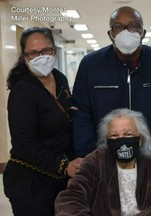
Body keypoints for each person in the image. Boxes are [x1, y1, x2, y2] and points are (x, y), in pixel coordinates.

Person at [72, 6, 151, 158]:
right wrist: (89, 159)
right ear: (111, 34)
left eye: (133, 26)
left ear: (143, 33)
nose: (126, 32)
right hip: (105, 160)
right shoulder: (90, 65)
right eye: (118, 27)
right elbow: (82, 116)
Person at [55, 108, 151, 216]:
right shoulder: (94, 163)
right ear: (106, 141)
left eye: (128, 134)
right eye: (114, 136)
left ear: (140, 139)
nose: (121, 141)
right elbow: (69, 200)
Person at [3, 27, 83, 216]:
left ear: (54, 51)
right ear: (24, 56)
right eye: (33, 53)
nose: (41, 57)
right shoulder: (22, 91)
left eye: (46, 50)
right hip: (31, 182)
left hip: (58, 179)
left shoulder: (60, 79)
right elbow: (25, 145)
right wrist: (65, 166)